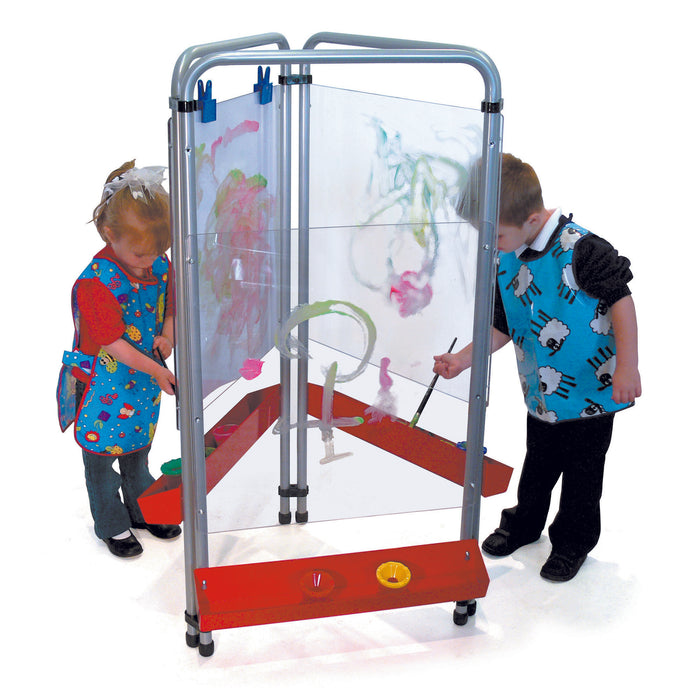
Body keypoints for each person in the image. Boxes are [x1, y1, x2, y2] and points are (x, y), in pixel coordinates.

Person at [433, 154, 641, 582]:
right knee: (539, 464)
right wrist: (463, 359)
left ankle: (572, 542)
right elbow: (502, 324)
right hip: (542, 396)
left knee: (583, 476)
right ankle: (524, 524)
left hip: (590, 395)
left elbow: (621, 301)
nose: (491, 243)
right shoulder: (508, 256)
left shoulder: (583, 250)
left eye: (496, 234)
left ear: (530, 220)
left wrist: (628, 366)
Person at [57, 160, 181, 558]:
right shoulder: (97, 283)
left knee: (138, 453)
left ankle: (144, 511)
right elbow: (112, 342)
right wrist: (157, 368)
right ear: (110, 235)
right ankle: (112, 524)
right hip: (102, 387)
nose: (151, 260)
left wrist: (167, 336)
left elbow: (170, 308)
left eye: (160, 250)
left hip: (141, 384)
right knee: (101, 465)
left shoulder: (158, 263)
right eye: (142, 252)